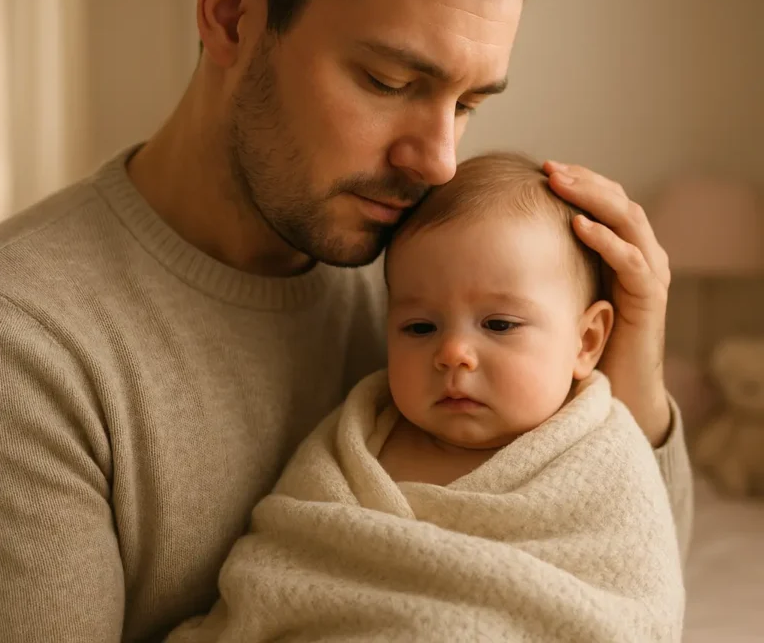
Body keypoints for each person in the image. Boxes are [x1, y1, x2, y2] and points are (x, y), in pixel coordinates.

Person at [0, 0, 691, 642]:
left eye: (467, 105)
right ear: (231, 13)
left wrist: (634, 376)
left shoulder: (434, 278)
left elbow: (618, 594)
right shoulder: (27, 344)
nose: (437, 163)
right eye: (389, 82)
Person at [166, 153, 685, 642]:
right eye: (419, 327)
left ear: (587, 340)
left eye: (499, 323)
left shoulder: (604, 458)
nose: (454, 352)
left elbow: (633, 602)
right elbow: (282, 567)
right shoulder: (354, 445)